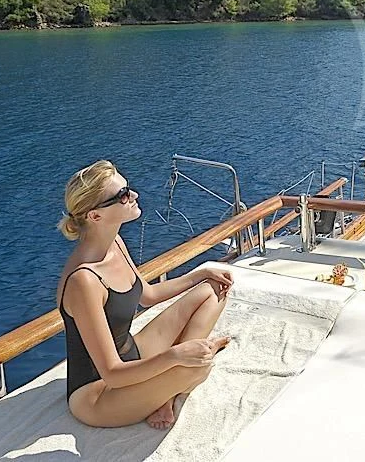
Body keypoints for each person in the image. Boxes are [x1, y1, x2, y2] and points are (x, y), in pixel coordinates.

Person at [56, 160, 234, 430]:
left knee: (213, 291)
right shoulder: (84, 281)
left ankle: (163, 393)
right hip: (99, 395)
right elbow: (112, 375)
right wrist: (175, 356)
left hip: (132, 356)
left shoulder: (114, 242)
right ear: (95, 216)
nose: (135, 196)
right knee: (197, 367)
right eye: (123, 195)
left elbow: (147, 294)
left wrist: (200, 274)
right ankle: (166, 395)